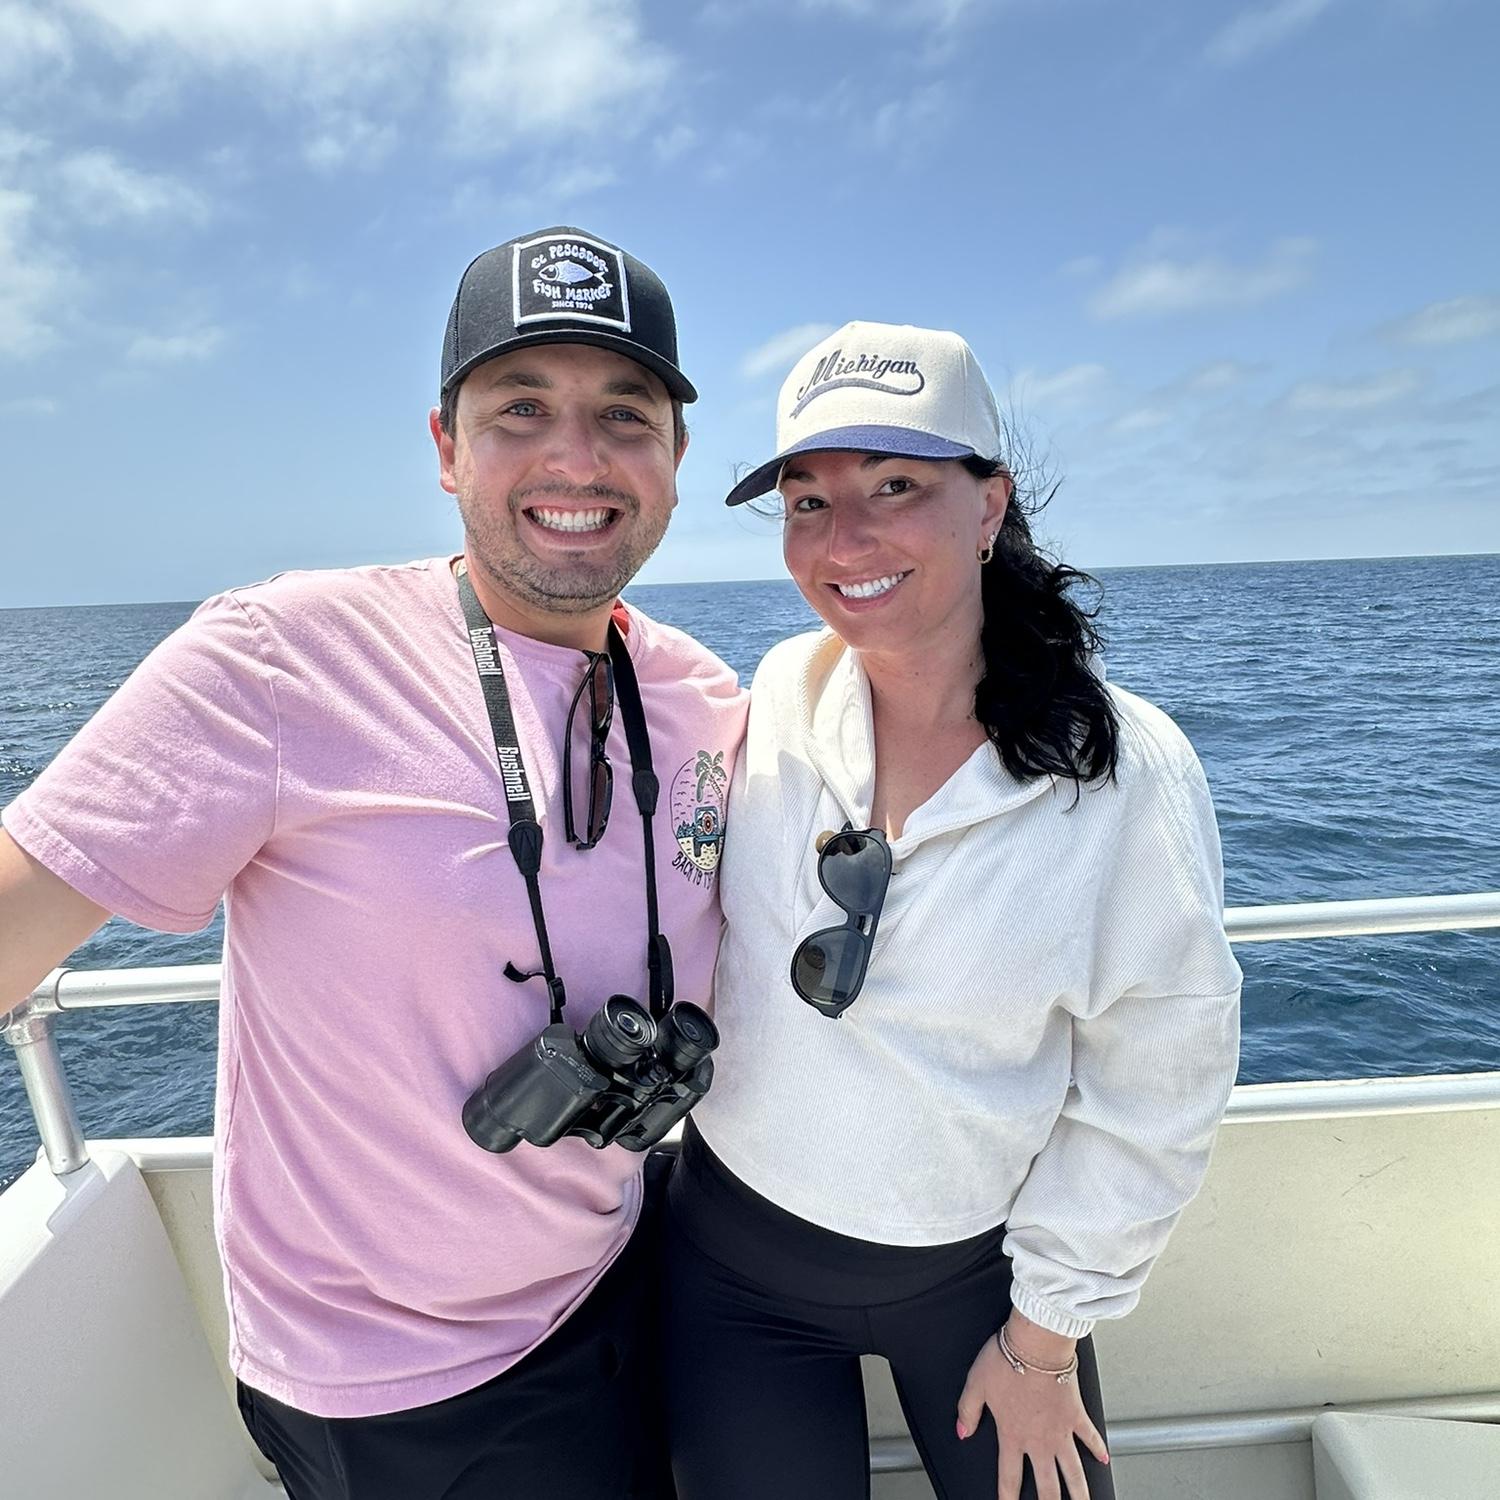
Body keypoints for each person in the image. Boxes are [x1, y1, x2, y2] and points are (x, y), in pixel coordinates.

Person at [0, 225, 747, 1500]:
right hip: (393, 1383)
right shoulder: (277, 657)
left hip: (625, 1277)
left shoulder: (703, 697)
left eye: (625, 415)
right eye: (521, 408)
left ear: (675, 459)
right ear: (447, 448)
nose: (577, 457)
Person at [663, 321, 1242, 1500]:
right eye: (808, 501)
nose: (846, 539)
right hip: (726, 1269)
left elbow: (1160, 1082)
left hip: (979, 1288)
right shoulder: (774, 696)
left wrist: (1047, 1339)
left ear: (991, 505)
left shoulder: (1121, 773)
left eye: (896, 487)